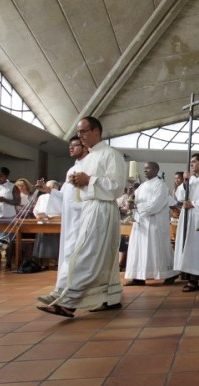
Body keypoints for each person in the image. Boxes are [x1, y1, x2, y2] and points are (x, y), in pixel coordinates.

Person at [36, 116, 126, 317]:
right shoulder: (89, 157)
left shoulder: (111, 154)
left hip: (102, 209)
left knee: (85, 256)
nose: (80, 136)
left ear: (96, 131)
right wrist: (79, 183)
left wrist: (89, 180)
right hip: (87, 208)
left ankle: (68, 302)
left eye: (84, 131)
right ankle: (109, 298)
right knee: (99, 258)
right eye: (78, 132)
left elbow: (118, 188)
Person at [35, 137, 89, 305]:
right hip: (70, 220)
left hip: (83, 218)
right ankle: (61, 290)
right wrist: (49, 191)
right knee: (67, 254)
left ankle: (67, 293)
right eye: (69, 146)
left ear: (85, 146)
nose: (70, 148)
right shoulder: (71, 169)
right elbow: (66, 197)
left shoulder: (91, 166)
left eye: (75, 145)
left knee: (76, 256)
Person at [123, 162, 179, 286]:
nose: (145, 171)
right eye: (144, 169)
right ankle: (138, 277)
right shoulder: (141, 186)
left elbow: (156, 205)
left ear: (156, 170)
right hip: (140, 223)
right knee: (138, 249)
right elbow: (131, 203)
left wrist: (137, 206)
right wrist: (130, 199)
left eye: (148, 168)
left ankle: (171, 273)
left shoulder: (161, 186)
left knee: (157, 249)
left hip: (155, 224)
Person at [173, 153, 199, 292]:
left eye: (194, 162)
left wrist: (193, 203)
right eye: (191, 162)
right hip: (187, 215)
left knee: (196, 248)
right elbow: (180, 197)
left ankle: (197, 278)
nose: (191, 164)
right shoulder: (191, 179)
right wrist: (185, 182)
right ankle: (189, 278)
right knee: (186, 246)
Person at [0, 166, 20, 269]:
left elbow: (17, 202)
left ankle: (9, 262)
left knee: (5, 241)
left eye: (1, 176)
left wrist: (3, 199)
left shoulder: (12, 187)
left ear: (6, 176)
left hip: (7, 217)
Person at [32, 180, 61, 263]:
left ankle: (56, 262)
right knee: (43, 245)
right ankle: (44, 263)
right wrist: (39, 215)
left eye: (53, 187)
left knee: (56, 244)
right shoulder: (42, 197)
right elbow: (36, 210)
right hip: (43, 223)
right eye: (49, 186)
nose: (50, 188)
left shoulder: (61, 196)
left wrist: (49, 216)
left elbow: (63, 211)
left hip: (56, 223)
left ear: (57, 187)